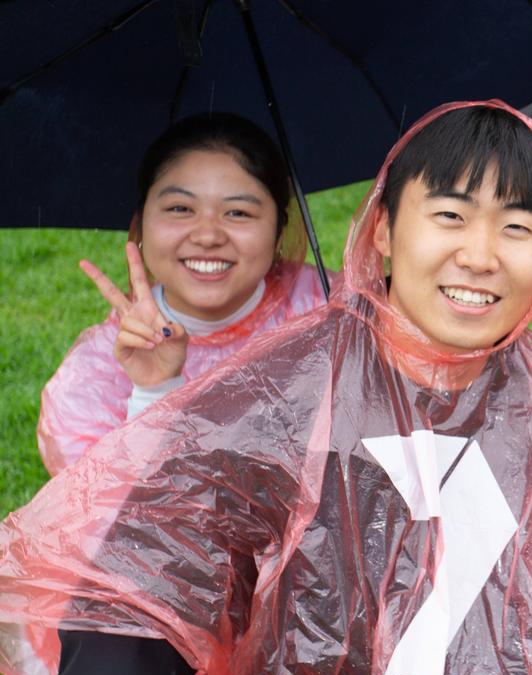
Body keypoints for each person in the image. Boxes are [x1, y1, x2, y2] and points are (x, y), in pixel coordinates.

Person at [0, 101, 532, 675]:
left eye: (517, 228)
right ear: (382, 232)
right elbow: (150, 573)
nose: (481, 254)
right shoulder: (287, 389)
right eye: (450, 216)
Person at [37, 112, 331, 477]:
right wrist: (153, 392)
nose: (208, 236)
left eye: (238, 212)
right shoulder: (93, 378)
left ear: (279, 230)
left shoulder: (332, 309)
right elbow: (108, 520)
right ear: (141, 221)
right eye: (180, 209)